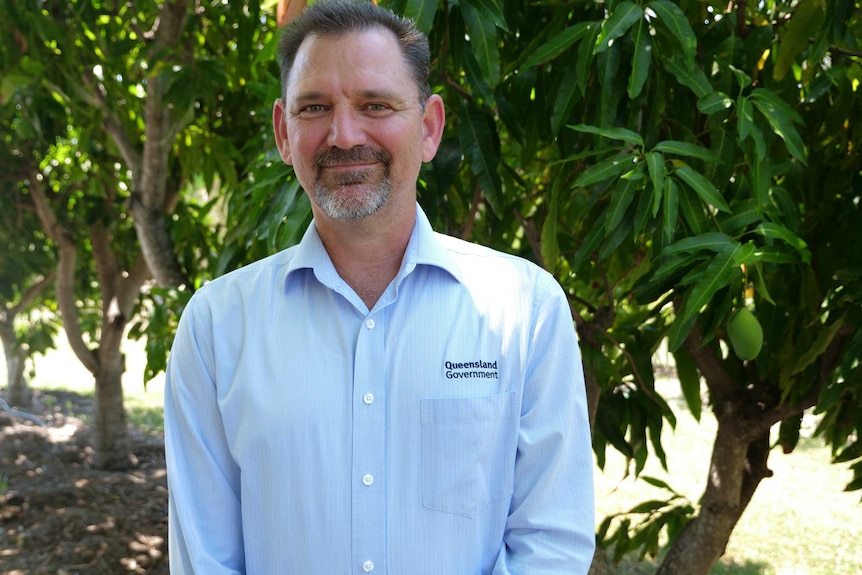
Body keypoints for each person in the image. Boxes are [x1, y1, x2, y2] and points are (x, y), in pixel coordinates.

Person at [164, 0, 595, 573]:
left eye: (376, 104)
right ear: (283, 133)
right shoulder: (216, 327)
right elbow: (205, 559)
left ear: (430, 126)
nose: (344, 135)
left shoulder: (526, 309)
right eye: (314, 107)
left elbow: (552, 545)